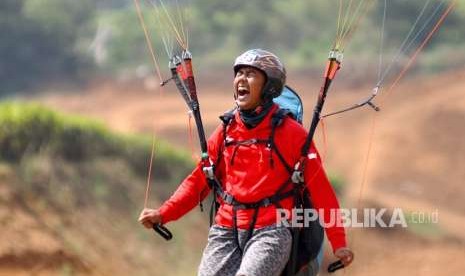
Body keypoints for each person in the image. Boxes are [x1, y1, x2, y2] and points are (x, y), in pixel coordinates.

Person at [139, 49, 354, 276]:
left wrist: (338, 241)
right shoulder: (226, 130)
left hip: (272, 230)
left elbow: (321, 191)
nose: (241, 79)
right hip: (226, 228)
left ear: (269, 86)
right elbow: (199, 181)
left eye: (251, 74)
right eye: (239, 73)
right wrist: (163, 214)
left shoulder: (292, 133)